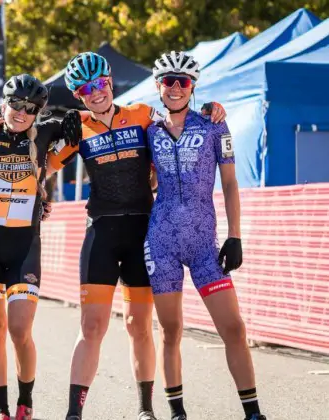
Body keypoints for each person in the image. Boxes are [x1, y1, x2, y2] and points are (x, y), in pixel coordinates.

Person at [44, 51, 226, 420]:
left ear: (110, 82)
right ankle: (72, 414)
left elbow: (179, 118)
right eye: (85, 89)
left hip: (144, 232)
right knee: (92, 326)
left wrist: (210, 107)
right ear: (78, 95)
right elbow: (41, 168)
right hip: (102, 235)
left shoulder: (143, 115)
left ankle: (146, 409)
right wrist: (41, 189)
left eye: (100, 84)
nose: (95, 93)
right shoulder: (78, 127)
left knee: (138, 325)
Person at [144, 51, 266, 420]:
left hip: (204, 245)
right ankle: (177, 411)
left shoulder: (214, 125)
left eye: (183, 81)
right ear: (158, 87)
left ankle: (253, 413)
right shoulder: (148, 130)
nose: (176, 88)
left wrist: (235, 235)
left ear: (193, 86)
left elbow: (229, 183)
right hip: (161, 241)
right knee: (171, 330)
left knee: (233, 327)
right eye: (169, 81)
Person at [0, 74, 73, 420]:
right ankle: (0, 408)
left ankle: (25, 401)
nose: (21, 112)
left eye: (30, 108)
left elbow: (90, 120)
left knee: (19, 329)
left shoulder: (45, 133)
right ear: (4, 103)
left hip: (25, 244)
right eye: (15, 104)